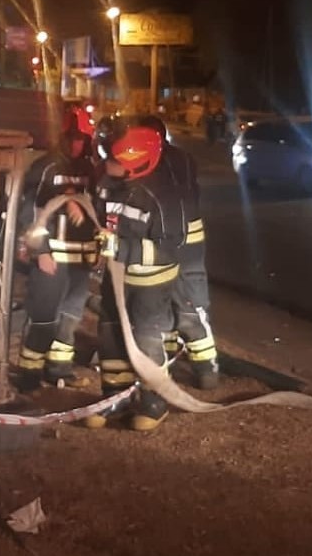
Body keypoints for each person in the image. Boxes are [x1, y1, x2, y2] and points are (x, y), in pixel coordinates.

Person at [86, 123, 185, 432]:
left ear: (136, 163)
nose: (107, 167)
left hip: (150, 285)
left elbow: (171, 247)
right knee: (111, 335)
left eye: (114, 161)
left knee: (146, 340)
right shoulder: (108, 184)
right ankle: (114, 397)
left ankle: (154, 401)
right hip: (116, 279)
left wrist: (122, 247)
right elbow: (104, 217)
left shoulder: (162, 197)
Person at [14, 127, 100, 389]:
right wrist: (40, 251)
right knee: (44, 317)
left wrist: (96, 252)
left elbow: (98, 209)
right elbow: (29, 211)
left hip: (80, 261)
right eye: (72, 138)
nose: (77, 144)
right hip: (52, 259)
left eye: (81, 140)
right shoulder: (45, 167)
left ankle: (59, 371)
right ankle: (28, 377)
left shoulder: (89, 169)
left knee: (70, 317)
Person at [138, 114, 219, 389]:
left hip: (181, 245)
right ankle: (185, 359)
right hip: (181, 240)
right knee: (172, 305)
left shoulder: (164, 162)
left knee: (188, 307)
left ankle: (206, 367)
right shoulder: (182, 158)